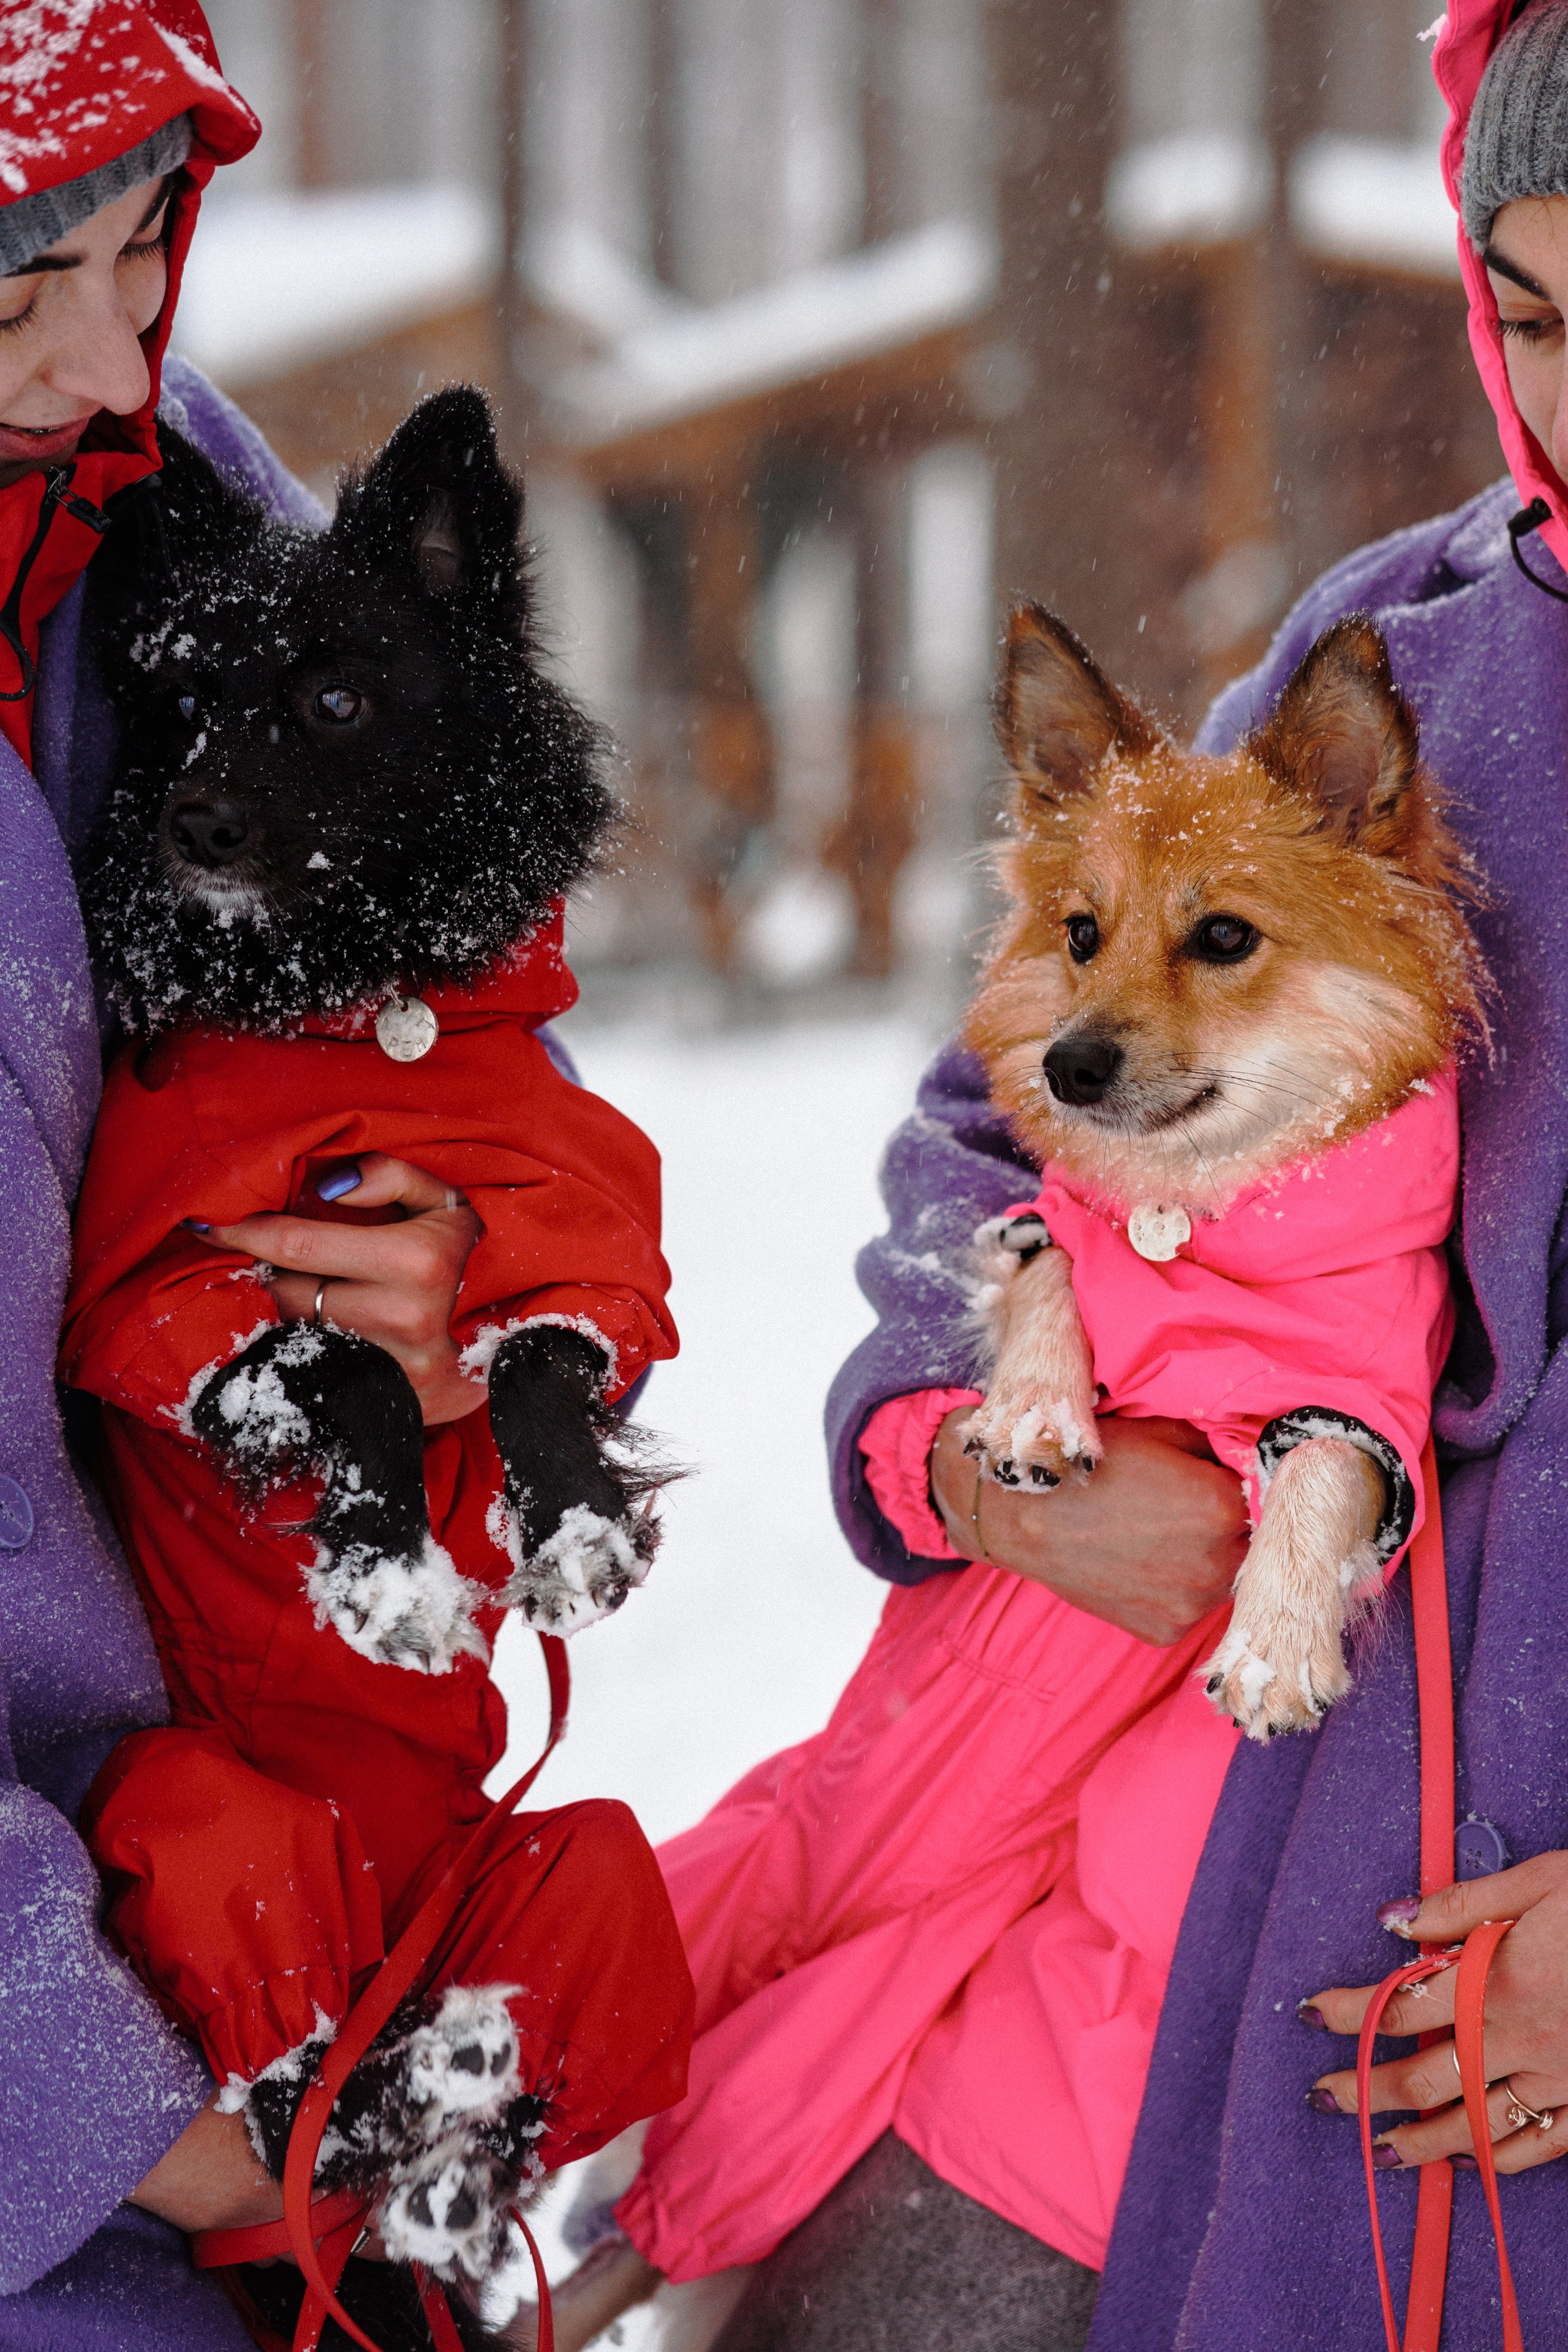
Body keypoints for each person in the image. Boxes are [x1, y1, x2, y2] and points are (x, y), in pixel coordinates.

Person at [589, 2, 1568, 2345]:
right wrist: (978, 1455)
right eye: (1532, 312)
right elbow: (1008, 1098)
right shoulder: (1395, 650)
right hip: (1146, 1942)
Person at [0, 10, 692, 2347]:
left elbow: (448, 993)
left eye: (145, 248)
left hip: (311, 1875)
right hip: (100, 2015)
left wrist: (460, 1271)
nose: (110, 360)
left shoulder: (158, 495)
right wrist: (117, 2109)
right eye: (17, 292)